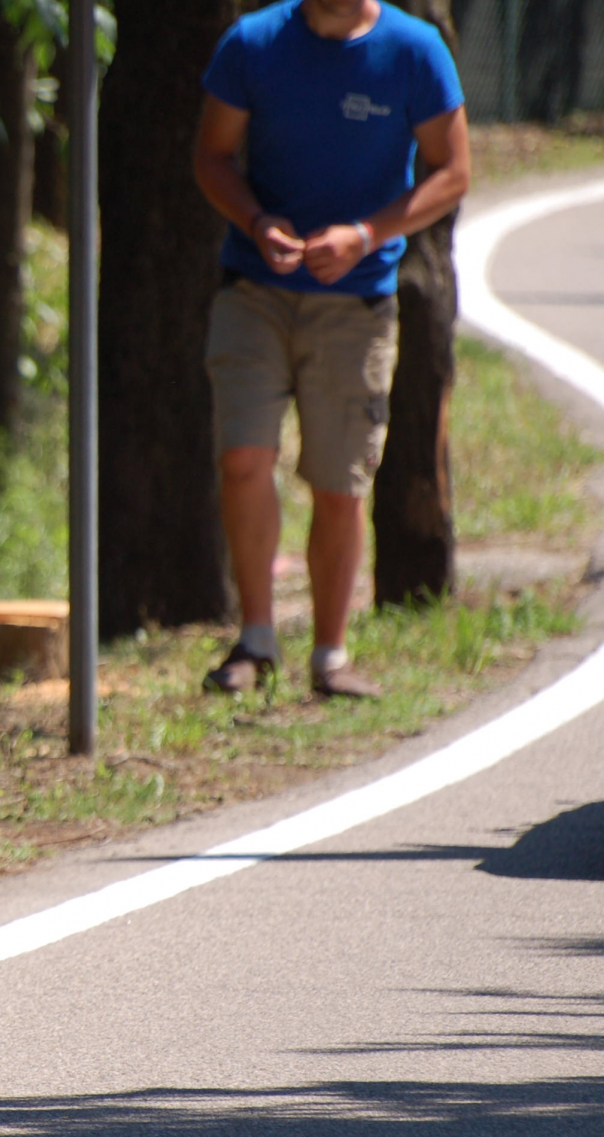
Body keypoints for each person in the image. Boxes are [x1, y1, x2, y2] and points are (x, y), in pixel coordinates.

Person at [193, 0, 468, 697]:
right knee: (243, 458)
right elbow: (212, 156)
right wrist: (256, 221)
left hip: (358, 301)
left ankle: (330, 655)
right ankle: (256, 641)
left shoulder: (415, 50)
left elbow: (452, 172)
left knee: (339, 482)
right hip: (254, 290)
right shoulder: (253, 43)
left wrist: (365, 236)